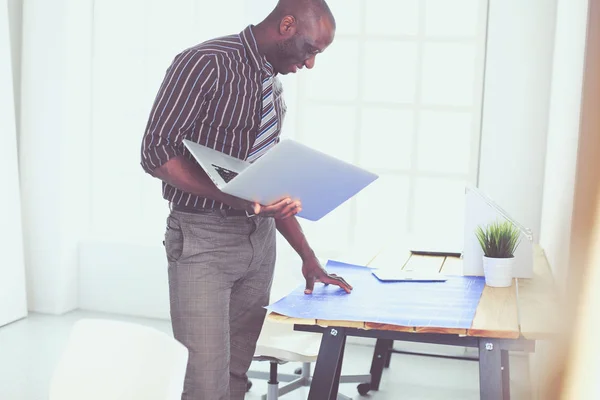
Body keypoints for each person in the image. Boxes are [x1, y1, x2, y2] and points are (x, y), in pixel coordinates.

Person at [139, 0, 353, 398]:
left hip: (260, 242)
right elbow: (157, 155)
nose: (309, 64)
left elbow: (266, 186)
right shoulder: (205, 62)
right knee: (205, 381)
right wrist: (240, 201)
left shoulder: (270, 85)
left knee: (238, 374)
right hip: (204, 240)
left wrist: (308, 257)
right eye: (310, 49)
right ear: (286, 25)